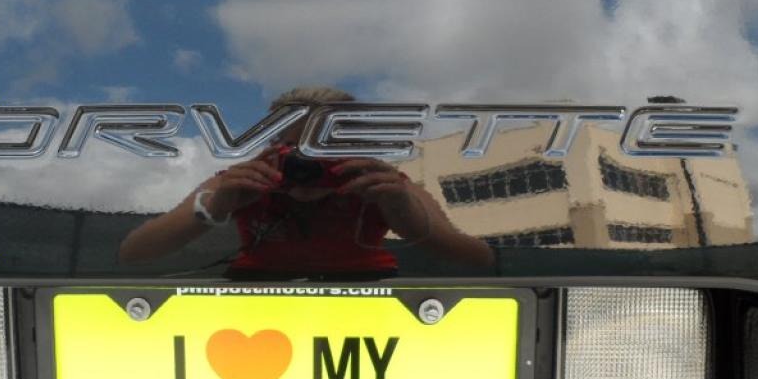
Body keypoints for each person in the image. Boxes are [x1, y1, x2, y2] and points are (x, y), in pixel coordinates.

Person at [118, 87, 494, 276]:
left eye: (327, 146)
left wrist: (403, 212)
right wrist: (216, 206)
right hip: (257, 289)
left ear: (353, 146)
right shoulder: (249, 179)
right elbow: (135, 252)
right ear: (273, 146)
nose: (309, 163)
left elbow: (476, 258)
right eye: (294, 147)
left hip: (364, 287)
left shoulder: (378, 182)